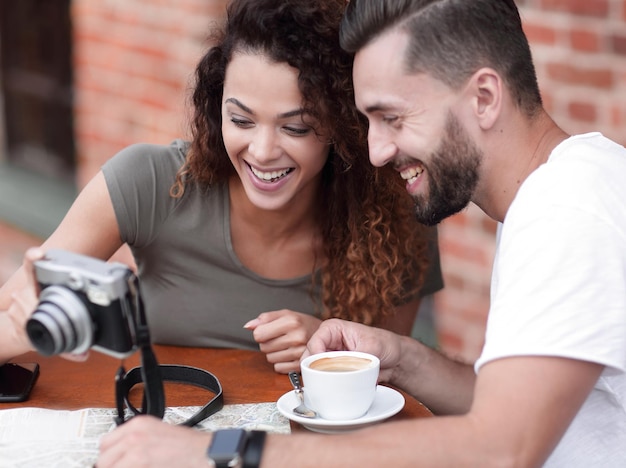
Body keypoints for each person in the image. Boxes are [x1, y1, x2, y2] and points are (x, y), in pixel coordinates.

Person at [96, 0, 626, 466]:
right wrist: (399, 357)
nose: (376, 151)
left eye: (392, 117)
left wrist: (221, 452)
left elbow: (499, 449)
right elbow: (506, 410)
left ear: (484, 97)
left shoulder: (567, 215)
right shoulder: (573, 188)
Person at [0, 0, 443, 373]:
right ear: (216, 111)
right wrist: (22, 331)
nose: (263, 150)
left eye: (296, 127)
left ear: (340, 124)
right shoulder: (150, 181)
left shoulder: (394, 210)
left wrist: (330, 349)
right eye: (241, 120)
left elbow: (393, 378)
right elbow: (12, 310)